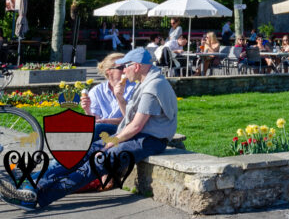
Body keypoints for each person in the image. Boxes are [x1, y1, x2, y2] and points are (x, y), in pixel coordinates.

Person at [1, 47, 178, 210]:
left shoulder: (152, 87)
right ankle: (32, 186)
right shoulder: (148, 81)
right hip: (138, 136)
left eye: (125, 67)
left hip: (148, 140)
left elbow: (137, 125)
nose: (124, 71)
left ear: (137, 66)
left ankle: (36, 197)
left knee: (94, 165)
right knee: (81, 152)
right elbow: (131, 121)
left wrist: (113, 141)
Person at [81, 53, 136, 132]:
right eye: (121, 67)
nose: (125, 70)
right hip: (101, 128)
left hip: (124, 129)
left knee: (98, 128)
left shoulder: (134, 88)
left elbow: (133, 119)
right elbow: (95, 119)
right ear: (109, 71)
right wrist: (87, 109)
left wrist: (106, 121)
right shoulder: (97, 91)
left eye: (127, 66)